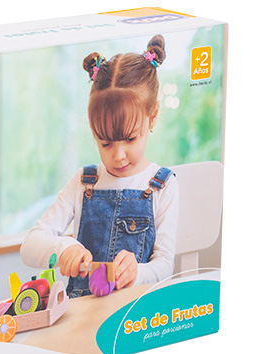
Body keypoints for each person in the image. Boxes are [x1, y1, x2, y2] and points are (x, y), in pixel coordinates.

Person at [20, 35, 179, 297]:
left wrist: (137, 273)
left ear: (152, 117)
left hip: (134, 310)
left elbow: (164, 266)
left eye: (130, 139)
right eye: (105, 143)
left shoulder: (163, 185)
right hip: (82, 312)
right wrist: (64, 249)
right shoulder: (84, 182)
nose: (118, 155)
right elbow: (29, 246)